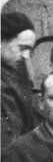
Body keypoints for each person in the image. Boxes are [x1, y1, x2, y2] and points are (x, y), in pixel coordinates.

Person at [1, 11, 38, 150]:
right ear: (1, 42)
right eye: (22, 48)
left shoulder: (18, 72)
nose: (26, 56)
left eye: (30, 50)